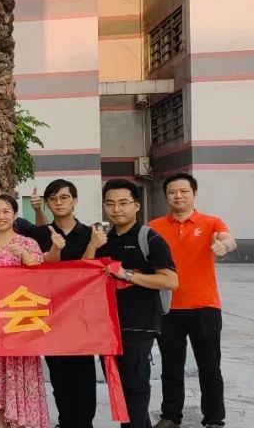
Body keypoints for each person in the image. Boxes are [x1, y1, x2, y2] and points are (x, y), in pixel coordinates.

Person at [83, 179, 178, 428]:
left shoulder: (150, 238)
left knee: (135, 389)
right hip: (108, 327)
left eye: (123, 203)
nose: (116, 209)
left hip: (139, 325)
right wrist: (92, 247)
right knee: (119, 389)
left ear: (136, 205)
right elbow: (85, 275)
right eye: (110, 204)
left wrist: (127, 275)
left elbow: (171, 280)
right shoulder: (103, 239)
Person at [148, 173, 235, 428]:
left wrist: (224, 245)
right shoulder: (154, 226)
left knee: (210, 367)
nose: (178, 196)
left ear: (194, 194)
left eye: (184, 191)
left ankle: (214, 419)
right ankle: (171, 416)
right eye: (172, 192)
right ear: (166, 196)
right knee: (171, 367)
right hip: (167, 307)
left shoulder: (211, 222)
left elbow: (227, 238)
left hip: (205, 306)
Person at [0, 195, 49, 428]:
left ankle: (19, 420)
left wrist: (24, 256)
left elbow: (42, 276)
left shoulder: (27, 243)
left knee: (18, 370)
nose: (0, 216)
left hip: (17, 322)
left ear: (15, 215)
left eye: (6, 211)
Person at [27, 179, 97, 428]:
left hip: (82, 318)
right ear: (47, 203)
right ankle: (66, 421)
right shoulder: (37, 235)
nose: (59, 202)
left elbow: (92, 273)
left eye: (64, 197)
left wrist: (92, 246)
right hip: (50, 317)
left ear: (74, 200)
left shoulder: (90, 234)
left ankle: (83, 423)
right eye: (53, 199)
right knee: (59, 378)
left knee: (84, 378)